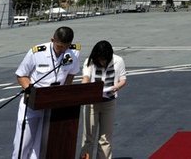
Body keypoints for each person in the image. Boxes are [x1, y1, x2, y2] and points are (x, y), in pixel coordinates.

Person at [13, 26, 81, 159]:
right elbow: (21, 75)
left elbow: (71, 74)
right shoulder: (37, 52)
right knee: (22, 145)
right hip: (32, 106)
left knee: (42, 147)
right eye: (59, 46)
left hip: (53, 107)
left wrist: (65, 94)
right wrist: (32, 93)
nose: (62, 50)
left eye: (65, 47)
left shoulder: (72, 54)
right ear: (52, 40)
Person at [79, 40, 127, 159]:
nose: (102, 62)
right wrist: (84, 87)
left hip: (109, 102)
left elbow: (123, 80)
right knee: (88, 138)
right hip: (91, 103)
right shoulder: (89, 61)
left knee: (106, 138)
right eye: (100, 59)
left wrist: (117, 87)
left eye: (104, 59)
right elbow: (85, 77)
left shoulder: (118, 61)